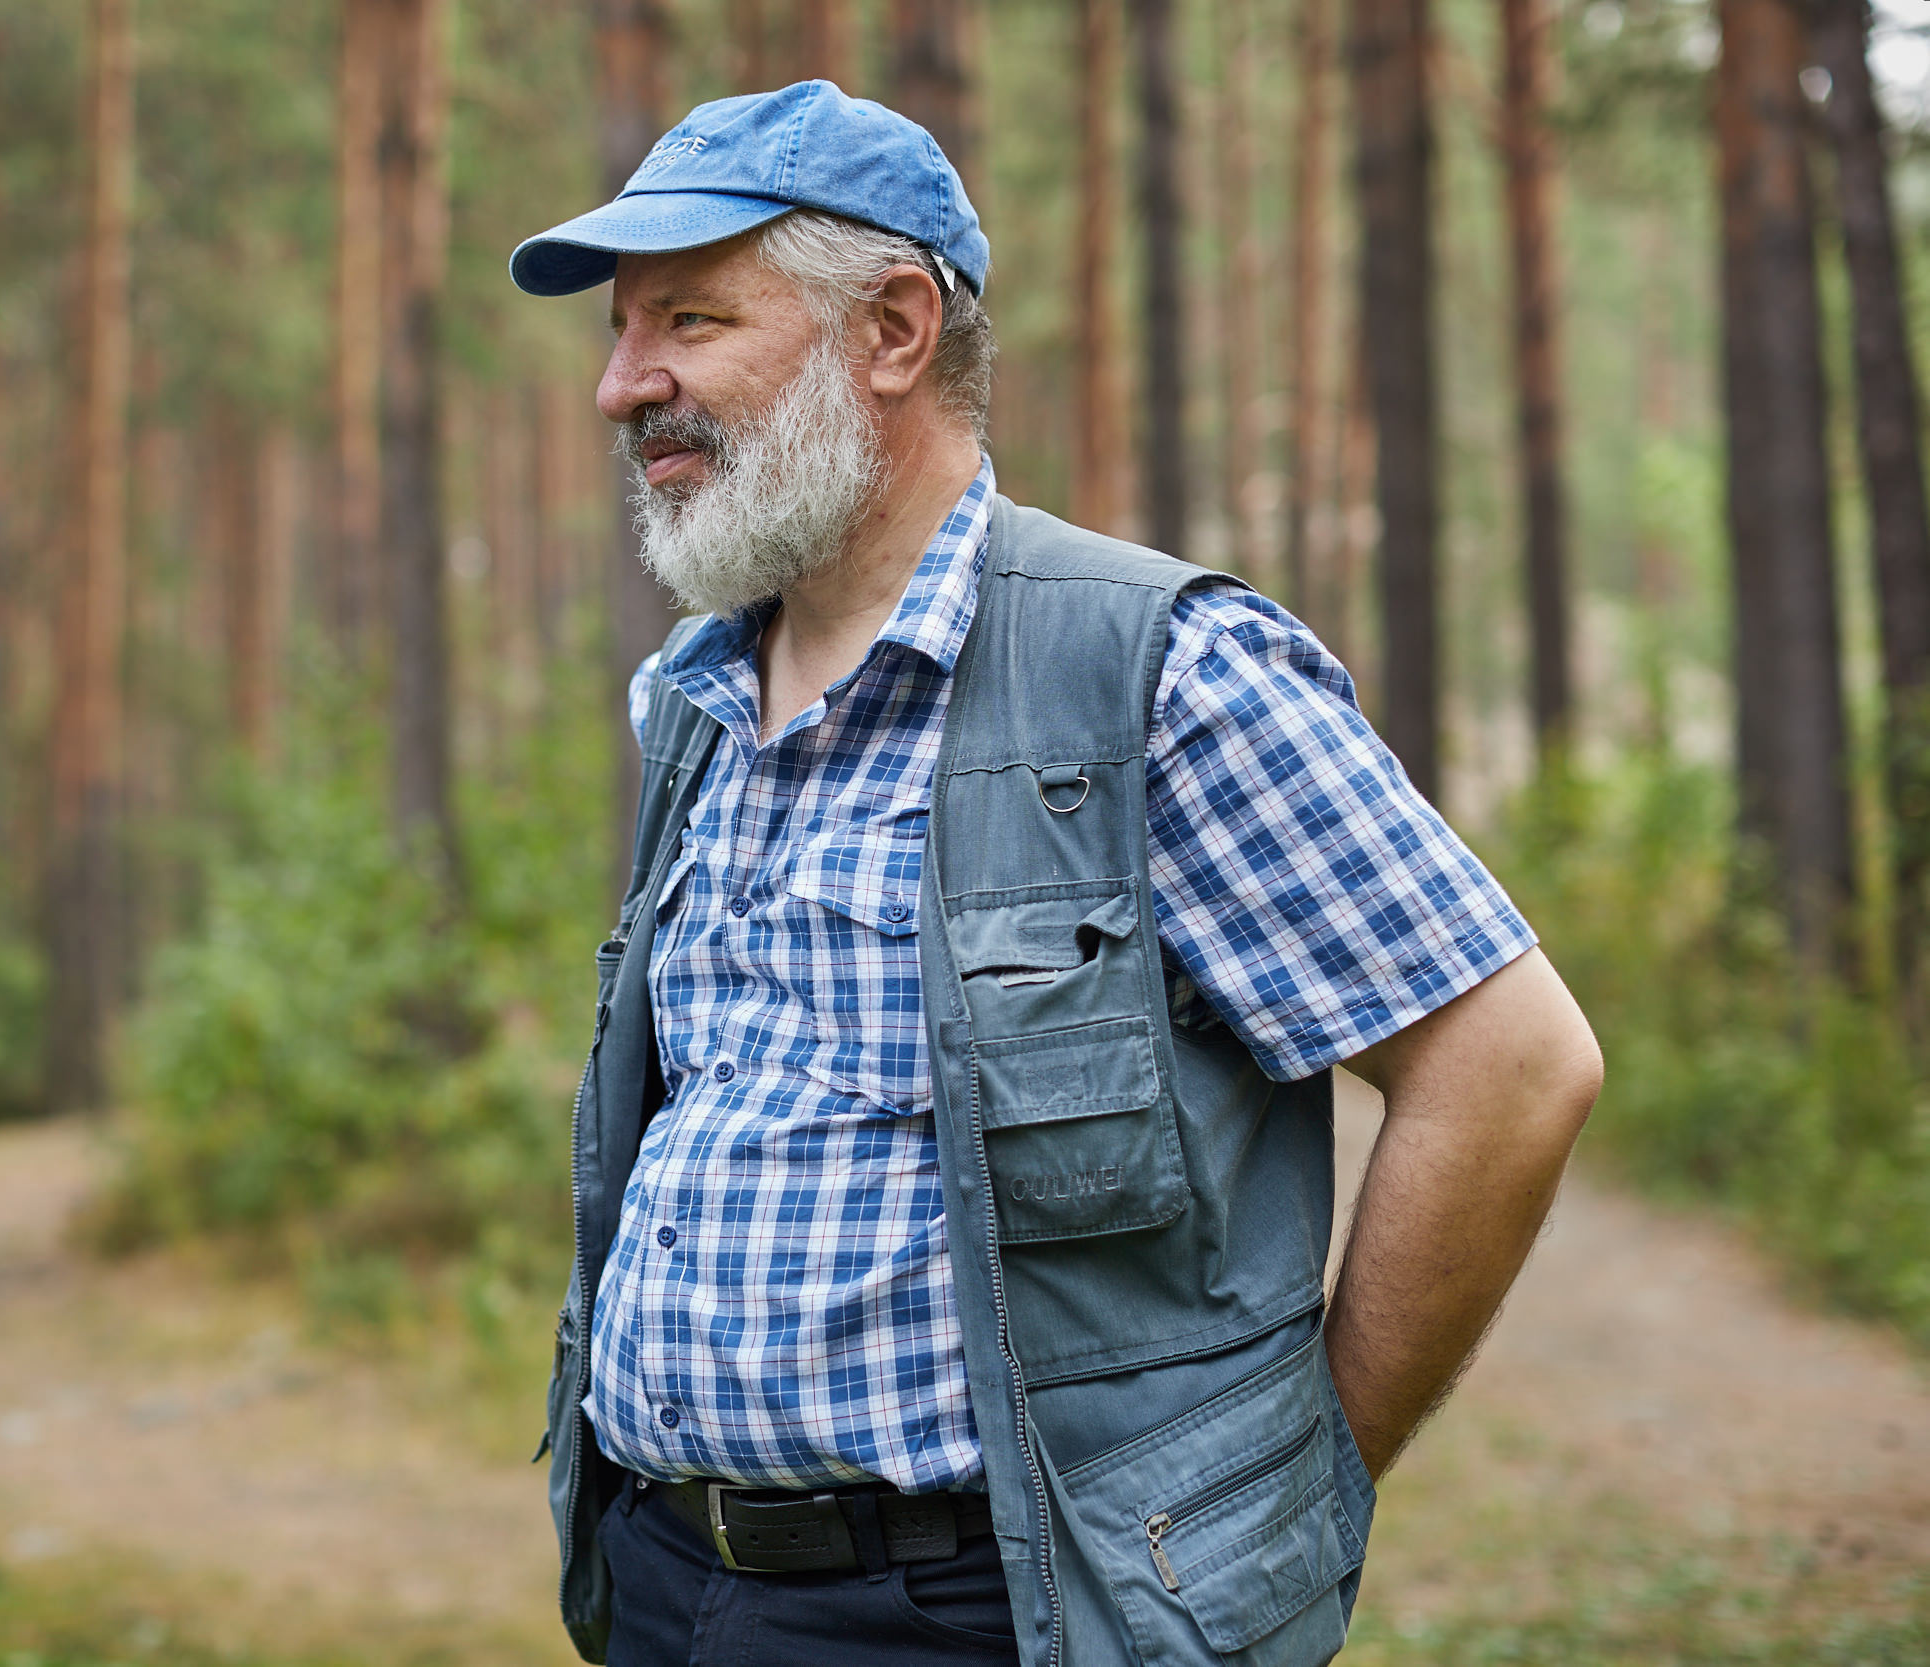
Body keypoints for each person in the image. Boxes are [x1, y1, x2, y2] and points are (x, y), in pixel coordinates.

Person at [511, 80, 1602, 1667]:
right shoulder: (692, 702)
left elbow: (1509, 1068)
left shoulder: (1157, 676)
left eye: (689, 319)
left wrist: (1284, 1495)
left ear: (895, 331)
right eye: (621, 331)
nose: (623, 386)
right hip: (668, 1583)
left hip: (984, 1619)